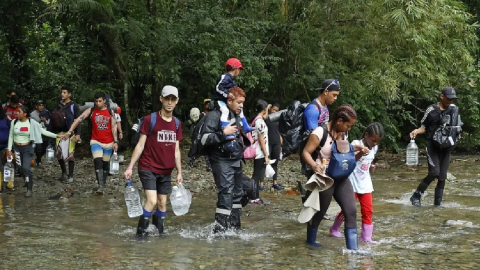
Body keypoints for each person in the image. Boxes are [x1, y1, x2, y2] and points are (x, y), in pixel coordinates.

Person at [124, 85, 183, 238]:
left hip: (166, 170)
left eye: (173, 99)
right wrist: (130, 167)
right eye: (167, 99)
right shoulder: (151, 119)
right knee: (151, 201)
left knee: (162, 203)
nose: (170, 102)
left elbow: (176, 150)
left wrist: (179, 172)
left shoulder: (177, 123)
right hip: (148, 166)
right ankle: (141, 234)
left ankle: (158, 233)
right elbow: (140, 144)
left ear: (177, 101)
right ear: (161, 99)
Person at [302, 104, 363, 249]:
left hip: (341, 176)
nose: (349, 129)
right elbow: (306, 152)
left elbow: (344, 152)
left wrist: (359, 150)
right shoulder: (319, 132)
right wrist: (314, 165)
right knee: (320, 212)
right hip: (325, 177)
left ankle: (352, 249)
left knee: (351, 211)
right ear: (339, 121)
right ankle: (310, 241)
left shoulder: (343, 134)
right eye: (348, 125)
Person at [201, 86, 251, 232]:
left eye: (243, 103)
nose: (241, 106)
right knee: (226, 194)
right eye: (239, 102)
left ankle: (235, 228)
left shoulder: (237, 115)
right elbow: (204, 139)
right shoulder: (214, 115)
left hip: (236, 160)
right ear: (229, 100)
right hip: (220, 161)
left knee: (238, 194)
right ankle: (219, 232)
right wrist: (223, 133)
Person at [329, 122, 384, 244]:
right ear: (366, 135)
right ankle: (335, 228)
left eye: (377, 141)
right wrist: (360, 153)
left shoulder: (374, 147)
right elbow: (349, 160)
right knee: (348, 210)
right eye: (373, 140)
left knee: (368, 210)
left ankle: (366, 237)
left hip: (366, 184)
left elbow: (370, 159)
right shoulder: (355, 144)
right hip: (352, 183)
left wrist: (372, 165)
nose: (374, 144)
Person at [409, 87, 460, 207]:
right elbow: (424, 127)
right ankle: (416, 196)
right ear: (442, 96)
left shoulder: (454, 110)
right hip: (433, 147)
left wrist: (458, 134)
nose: (450, 101)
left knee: (442, 177)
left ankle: (437, 204)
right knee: (434, 172)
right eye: (448, 98)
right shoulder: (432, 110)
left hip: (446, 148)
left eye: (452, 99)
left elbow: (457, 127)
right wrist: (416, 131)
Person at [5, 105, 63, 197]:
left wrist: (56, 136)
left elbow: (43, 131)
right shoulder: (14, 122)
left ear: (25, 114)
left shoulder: (32, 123)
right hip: (16, 148)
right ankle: (27, 180)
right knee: (20, 168)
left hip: (28, 147)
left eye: (19, 112)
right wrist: (9, 149)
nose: (17, 113)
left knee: (26, 167)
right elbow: (11, 135)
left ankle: (29, 189)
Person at [66, 92, 118, 194]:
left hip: (109, 142)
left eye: (100, 101)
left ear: (104, 101)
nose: (97, 103)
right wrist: (70, 131)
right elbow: (78, 119)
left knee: (105, 164)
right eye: (96, 101)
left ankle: (103, 183)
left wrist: (116, 141)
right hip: (96, 141)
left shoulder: (110, 111)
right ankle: (100, 185)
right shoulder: (91, 110)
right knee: (98, 161)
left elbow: (113, 126)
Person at [214, 58, 253, 139]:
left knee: (240, 109)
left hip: (228, 101)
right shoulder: (225, 77)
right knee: (225, 111)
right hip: (220, 101)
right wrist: (227, 94)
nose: (239, 72)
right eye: (239, 69)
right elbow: (218, 87)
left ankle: (246, 126)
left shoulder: (233, 80)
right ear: (235, 69)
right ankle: (225, 130)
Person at [53, 86, 81, 183]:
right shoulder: (58, 105)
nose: (62, 94)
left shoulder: (74, 106)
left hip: (70, 133)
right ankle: (64, 172)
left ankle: (71, 175)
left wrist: (78, 134)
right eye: (62, 92)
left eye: (65, 92)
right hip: (59, 133)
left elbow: (78, 120)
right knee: (59, 154)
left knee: (70, 154)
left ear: (69, 94)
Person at [250, 100, 272, 205]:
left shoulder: (257, 120)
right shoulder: (259, 122)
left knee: (257, 175)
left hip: (258, 151)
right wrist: (266, 155)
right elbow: (261, 139)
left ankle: (256, 196)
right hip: (259, 152)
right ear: (264, 109)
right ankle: (253, 197)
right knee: (256, 175)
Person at [187, 99, 212, 172]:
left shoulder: (212, 115)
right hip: (201, 135)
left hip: (208, 134)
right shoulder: (202, 115)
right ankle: (192, 160)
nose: (208, 105)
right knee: (201, 150)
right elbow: (198, 125)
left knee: (205, 150)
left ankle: (208, 166)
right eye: (207, 104)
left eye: (209, 104)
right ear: (204, 105)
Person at [30, 100, 52, 169]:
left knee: (44, 147)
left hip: (44, 132)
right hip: (36, 133)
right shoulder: (32, 114)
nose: (41, 107)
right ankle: (39, 162)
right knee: (38, 147)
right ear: (36, 106)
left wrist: (45, 121)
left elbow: (49, 123)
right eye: (39, 105)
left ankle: (37, 159)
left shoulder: (46, 113)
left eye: (42, 105)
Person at [266, 103, 283, 190]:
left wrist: (281, 146)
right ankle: (261, 184)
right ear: (270, 109)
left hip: (277, 142)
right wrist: (267, 108)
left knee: (275, 163)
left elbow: (280, 133)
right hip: (268, 142)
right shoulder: (266, 118)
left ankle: (275, 182)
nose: (275, 112)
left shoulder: (278, 120)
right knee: (265, 162)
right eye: (273, 109)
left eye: (277, 110)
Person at [0, 107, 12, 191]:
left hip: (5, 145)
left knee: (7, 165)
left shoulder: (5, 118)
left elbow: (12, 129)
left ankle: (9, 183)